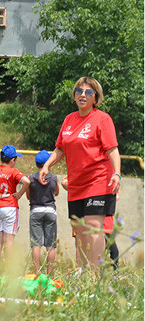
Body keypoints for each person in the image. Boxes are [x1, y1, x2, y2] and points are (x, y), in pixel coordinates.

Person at [39, 77, 121, 273]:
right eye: (79, 91)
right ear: (74, 96)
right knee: (81, 233)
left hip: (99, 180)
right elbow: (60, 149)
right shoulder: (69, 119)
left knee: (93, 229)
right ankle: (82, 274)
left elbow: (112, 149)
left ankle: (95, 275)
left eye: (89, 92)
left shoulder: (102, 119)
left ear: (96, 98)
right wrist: (47, 166)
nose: (83, 95)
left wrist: (117, 173)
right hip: (76, 185)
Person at [26, 150, 59, 274]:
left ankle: (36, 272)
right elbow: (56, 192)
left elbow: (28, 196)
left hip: (35, 211)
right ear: (49, 164)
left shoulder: (31, 178)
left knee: (36, 244)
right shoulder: (54, 178)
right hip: (50, 210)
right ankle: (49, 273)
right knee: (50, 244)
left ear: (36, 164)